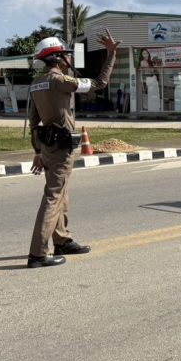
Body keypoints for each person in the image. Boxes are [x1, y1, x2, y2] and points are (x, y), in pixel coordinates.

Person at [26, 30, 121, 268]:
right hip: (61, 146)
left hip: (47, 145)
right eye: (65, 55)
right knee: (54, 196)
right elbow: (99, 84)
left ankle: (62, 240)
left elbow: (34, 121)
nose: (69, 58)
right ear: (57, 57)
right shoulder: (61, 81)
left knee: (61, 193)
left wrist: (38, 151)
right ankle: (38, 254)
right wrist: (111, 54)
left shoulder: (36, 84)